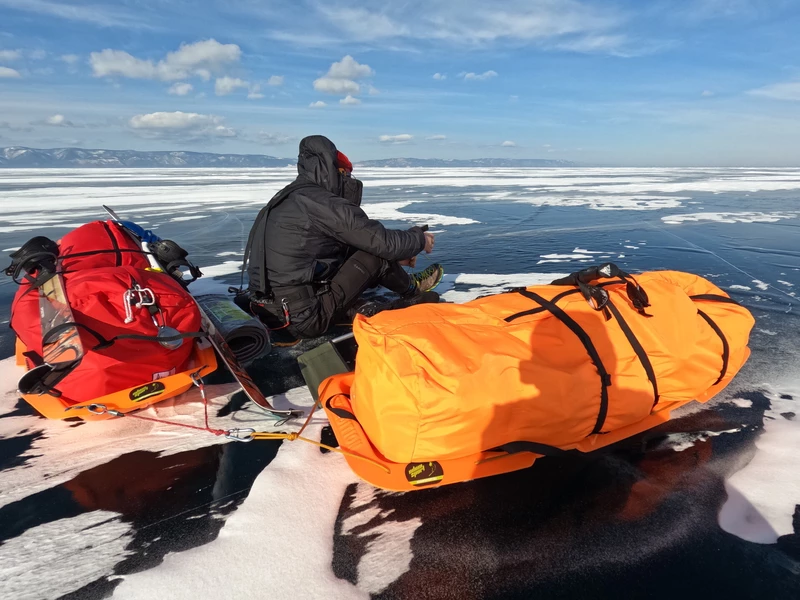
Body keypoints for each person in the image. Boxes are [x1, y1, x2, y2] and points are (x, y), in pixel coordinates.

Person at [241, 135, 443, 339]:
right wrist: (420, 239)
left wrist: (398, 257)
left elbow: (330, 247)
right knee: (376, 253)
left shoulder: (291, 197)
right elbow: (382, 243)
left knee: (367, 249)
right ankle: (412, 290)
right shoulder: (320, 202)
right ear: (333, 172)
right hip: (303, 317)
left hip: (271, 310)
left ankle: (365, 302)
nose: (349, 180)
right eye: (345, 174)